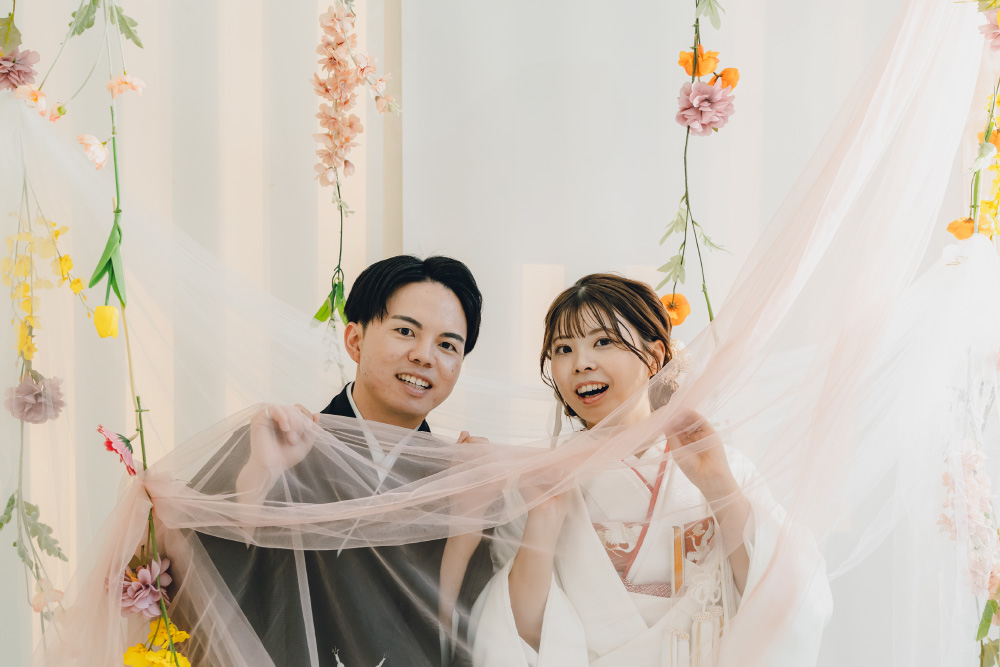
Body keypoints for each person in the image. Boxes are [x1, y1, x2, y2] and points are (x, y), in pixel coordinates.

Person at [470, 274, 832, 666]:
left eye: (603, 342)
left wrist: (718, 486)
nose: (581, 363)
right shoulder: (537, 484)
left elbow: (787, 600)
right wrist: (543, 518)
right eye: (563, 349)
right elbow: (515, 635)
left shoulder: (720, 465)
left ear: (654, 356)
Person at [195, 255, 493, 667]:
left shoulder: (462, 483)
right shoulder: (272, 443)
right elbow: (197, 580)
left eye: (447, 345)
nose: (425, 356)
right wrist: (258, 477)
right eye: (405, 331)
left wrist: (467, 524)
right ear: (355, 340)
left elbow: (462, 635)